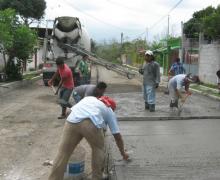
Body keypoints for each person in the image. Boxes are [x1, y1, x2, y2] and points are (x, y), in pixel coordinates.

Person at [48, 96, 129, 180]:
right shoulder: (109, 110)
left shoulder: (89, 99)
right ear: (112, 107)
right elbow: (117, 136)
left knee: (63, 153)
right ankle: (97, 177)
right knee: (98, 149)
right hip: (91, 122)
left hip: (71, 120)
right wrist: (123, 153)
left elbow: (69, 111)